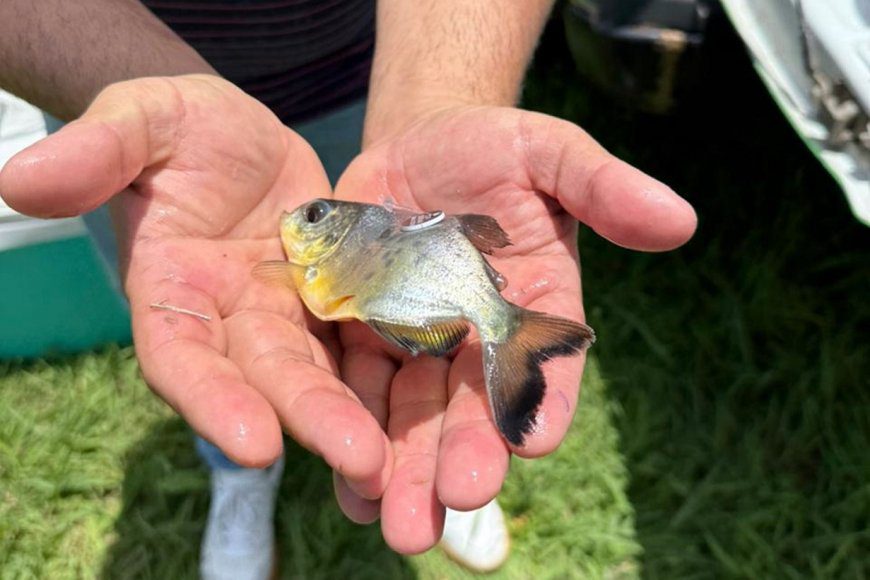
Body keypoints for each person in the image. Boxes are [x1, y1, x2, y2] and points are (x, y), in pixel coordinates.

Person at [0, 0, 698, 576]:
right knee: (195, 323)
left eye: (312, 220)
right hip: (113, 94)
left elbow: (339, 277)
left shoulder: (343, 226)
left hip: (380, 64)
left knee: (259, 343)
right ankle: (238, 466)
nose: (298, 223)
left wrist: (442, 95)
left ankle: (435, 423)